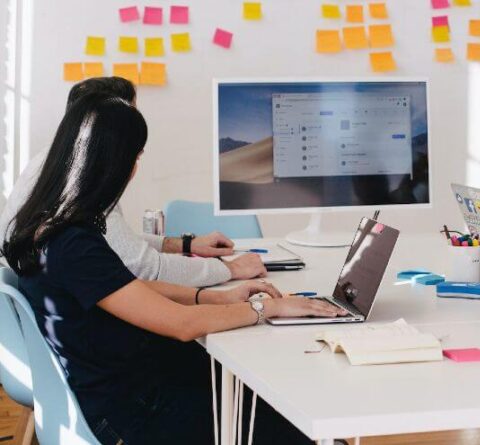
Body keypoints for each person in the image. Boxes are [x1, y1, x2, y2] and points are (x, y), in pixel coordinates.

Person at [2, 93, 347, 444]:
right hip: (132, 413)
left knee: (264, 392)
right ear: (113, 162)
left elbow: (126, 287)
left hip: (130, 389)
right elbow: (181, 325)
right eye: (135, 157)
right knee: (302, 425)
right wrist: (266, 308)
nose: (135, 168)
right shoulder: (72, 243)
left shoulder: (48, 226)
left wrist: (218, 298)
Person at [0, 77, 265, 288]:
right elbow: (145, 268)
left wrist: (184, 245)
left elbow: (113, 243)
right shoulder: (80, 184)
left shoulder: (52, 165)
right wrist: (230, 270)